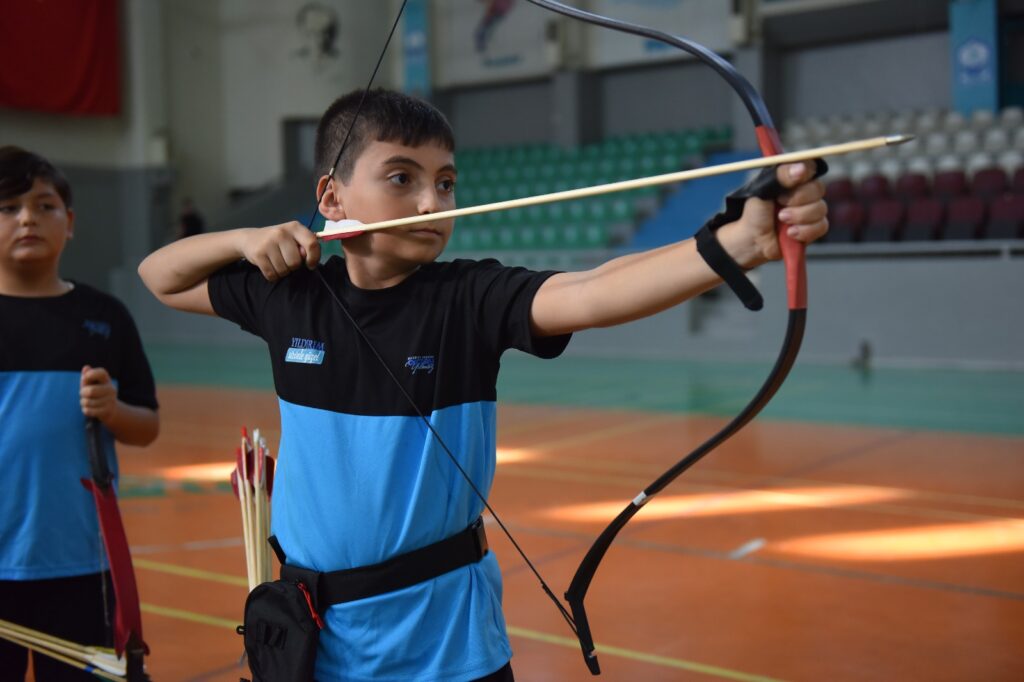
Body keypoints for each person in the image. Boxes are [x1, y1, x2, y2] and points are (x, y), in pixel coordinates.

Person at [138, 88, 828, 681]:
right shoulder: (290, 296)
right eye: (402, 178)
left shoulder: (467, 298)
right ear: (332, 197)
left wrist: (735, 245)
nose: (433, 200)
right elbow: (160, 277)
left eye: (446, 182)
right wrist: (240, 241)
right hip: (314, 640)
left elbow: (590, 292)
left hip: (444, 645)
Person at [0, 146, 160, 681]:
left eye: (44, 206)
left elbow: (148, 425)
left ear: (69, 223)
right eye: (8, 207)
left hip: (82, 567)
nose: (27, 218)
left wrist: (113, 411)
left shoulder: (104, 317)